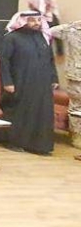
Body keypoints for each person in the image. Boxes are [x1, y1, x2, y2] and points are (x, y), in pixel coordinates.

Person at [0, 11, 57, 155]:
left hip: (42, 83)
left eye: (38, 20)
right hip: (20, 82)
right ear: (23, 21)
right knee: (21, 112)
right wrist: (7, 82)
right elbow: (4, 62)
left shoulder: (42, 37)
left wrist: (54, 78)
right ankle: (15, 142)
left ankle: (40, 146)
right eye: (32, 20)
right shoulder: (11, 38)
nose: (36, 23)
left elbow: (50, 59)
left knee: (42, 112)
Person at [50, 18, 81, 147]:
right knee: (77, 107)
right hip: (77, 76)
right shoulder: (72, 31)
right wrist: (74, 25)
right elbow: (51, 31)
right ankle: (77, 135)